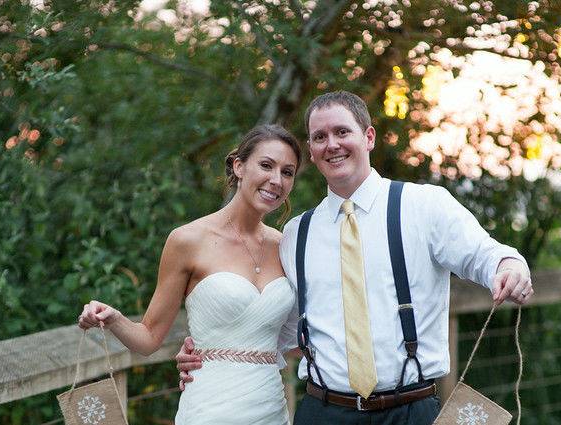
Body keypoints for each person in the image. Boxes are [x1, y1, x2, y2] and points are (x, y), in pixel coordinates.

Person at [176, 91, 533, 425]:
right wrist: (214, 353)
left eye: (342, 131)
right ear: (313, 154)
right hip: (323, 411)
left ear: (369, 137)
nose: (331, 144)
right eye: (319, 137)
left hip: (411, 411)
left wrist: (509, 267)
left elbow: (485, 254)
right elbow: (282, 327)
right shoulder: (297, 234)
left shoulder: (423, 205)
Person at [77, 124, 303, 425]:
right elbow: (148, 339)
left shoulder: (286, 245)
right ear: (238, 166)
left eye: (287, 172)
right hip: (209, 408)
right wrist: (114, 318)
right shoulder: (187, 240)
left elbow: (298, 335)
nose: (276, 180)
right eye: (266, 165)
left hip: (271, 410)